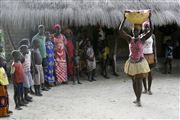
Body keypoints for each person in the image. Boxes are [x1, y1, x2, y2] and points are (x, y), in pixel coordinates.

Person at [119, 12, 152, 107]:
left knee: (139, 80)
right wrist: (124, 19)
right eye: (134, 31)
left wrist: (150, 19)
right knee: (133, 81)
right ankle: (137, 98)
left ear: (139, 32)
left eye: (137, 31)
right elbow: (120, 31)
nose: (135, 32)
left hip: (140, 62)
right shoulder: (130, 39)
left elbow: (151, 31)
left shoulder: (142, 39)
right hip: (132, 62)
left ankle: (139, 99)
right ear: (132, 32)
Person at [142, 21, 157, 95]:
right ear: (143, 28)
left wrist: (155, 57)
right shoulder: (141, 36)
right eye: (145, 27)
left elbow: (154, 47)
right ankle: (145, 89)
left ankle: (149, 89)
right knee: (144, 73)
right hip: (143, 55)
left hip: (150, 55)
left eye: (147, 27)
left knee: (150, 73)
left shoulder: (153, 36)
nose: (146, 28)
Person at [32, 25, 48, 90]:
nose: (42, 30)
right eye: (40, 29)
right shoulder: (35, 37)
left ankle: (43, 85)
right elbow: (32, 46)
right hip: (38, 56)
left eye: (43, 29)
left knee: (43, 71)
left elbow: (44, 46)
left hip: (44, 56)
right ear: (38, 29)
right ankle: (38, 86)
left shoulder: (44, 37)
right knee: (37, 73)